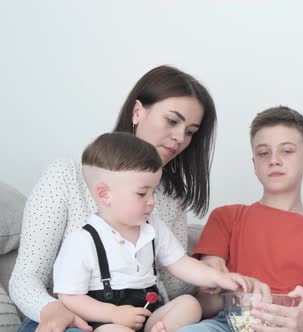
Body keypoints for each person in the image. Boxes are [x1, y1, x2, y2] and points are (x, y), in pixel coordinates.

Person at [10, 65, 218, 332]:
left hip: (142, 319)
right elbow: (26, 277)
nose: (180, 138)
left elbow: (175, 285)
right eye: (172, 121)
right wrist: (52, 310)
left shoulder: (169, 198)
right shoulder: (66, 176)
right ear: (137, 112)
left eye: (190, 131)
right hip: (72, 321)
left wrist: (213, 274)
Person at [53, 132, 250, 332]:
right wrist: (114, 313)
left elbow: (181, 263)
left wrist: (218, 278)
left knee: (189, 304)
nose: (151, 201)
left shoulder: (152, 227)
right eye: (141, 193)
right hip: (106, 321)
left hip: (149, 314)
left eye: (153, 191)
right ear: (105, 194)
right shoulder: (82, 241)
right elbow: (69, 297)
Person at [178, 106, 303, 332]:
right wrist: (216, 284)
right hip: (230, 322)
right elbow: (205, 304)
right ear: (254, 164)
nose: (274, 160)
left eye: (286, 151)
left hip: (291, 325)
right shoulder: (226, 217)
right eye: (264, 153)